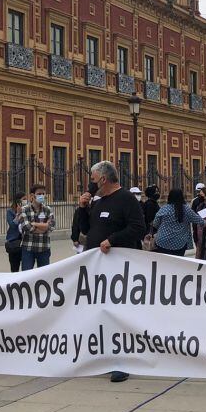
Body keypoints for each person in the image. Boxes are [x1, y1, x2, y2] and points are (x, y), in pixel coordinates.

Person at [78, 161, 146, 383]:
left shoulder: (126, 199)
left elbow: (138, 228)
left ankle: (122, 362)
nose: (91, 183)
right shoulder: (98, 202)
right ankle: (104, 357)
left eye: (93, 179)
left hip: (119, 269)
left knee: (120, 314)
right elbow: (86, 230)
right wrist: (81, 207)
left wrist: (113, 240)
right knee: (101, 313)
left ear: (103, 179)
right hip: (98, 268)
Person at [153, 188, 204, 256]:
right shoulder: (186, 209)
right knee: (176, 263)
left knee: (164, 263)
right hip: (179, 243)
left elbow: (155, 223)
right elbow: (197, 219)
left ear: (170, 197)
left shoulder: (164, 208)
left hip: (163, 241)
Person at [19, 184, 55, 270]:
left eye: (43, 194)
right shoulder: (24, 209)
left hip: (44, 247)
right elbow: (27, 227)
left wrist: (35, 224)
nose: (41, 196)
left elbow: (51, 226)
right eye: (39, 194)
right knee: (26, 275)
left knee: (43, 276)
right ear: (32, 195)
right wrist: (45, 226)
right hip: (28, 248)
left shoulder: (48, 209)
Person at [6, 192, 26, 271]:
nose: (25, 201)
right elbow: (12, 225)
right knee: (14, 267)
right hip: (14, 242)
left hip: (25, 242)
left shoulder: (27, 210)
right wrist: (18, 214)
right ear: (18, 201)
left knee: (26, 267)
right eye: (24, 199)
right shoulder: (10, 211)